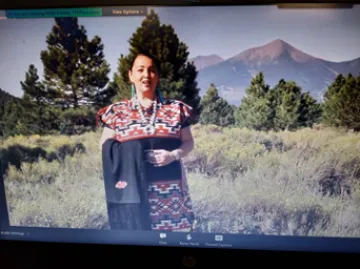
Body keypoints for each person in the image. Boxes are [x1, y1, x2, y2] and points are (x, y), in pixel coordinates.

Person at [97, 51, 196, 232]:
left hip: (171, 195)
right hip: (133, 196)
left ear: (157, 76)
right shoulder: (117, 112)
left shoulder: (176, 109)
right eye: (140, 70)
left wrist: (173, 155)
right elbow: (104, 146)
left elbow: (188, 142)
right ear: (131, 75)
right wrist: (132, 157)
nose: (146, 75)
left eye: (151, 70)